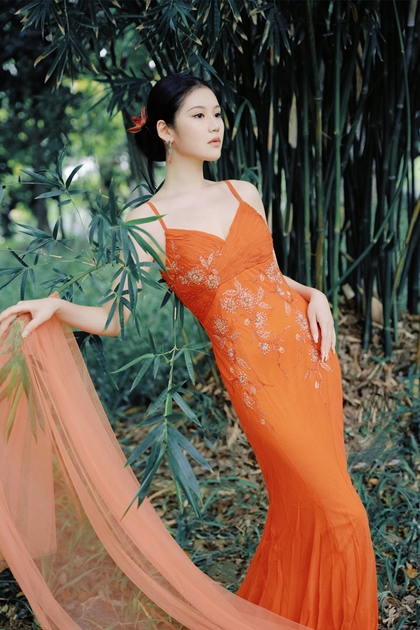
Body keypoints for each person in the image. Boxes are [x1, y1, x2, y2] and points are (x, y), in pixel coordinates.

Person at [0, 73, 378, 630]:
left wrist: (314, 294)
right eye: (199, 115)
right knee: (343, 512)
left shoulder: (243, 192)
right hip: (258, 381)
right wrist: (57, 307)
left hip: (311, 358)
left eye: (218, 114)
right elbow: (115, 318)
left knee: (311, 506)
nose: (215, 125)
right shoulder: (145, 220)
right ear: (165, 130)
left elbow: (269, 278)